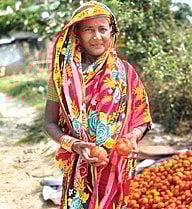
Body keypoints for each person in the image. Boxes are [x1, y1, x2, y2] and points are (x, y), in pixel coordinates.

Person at [43, 2, 152, 209]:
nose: (97, 36)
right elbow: (48, 123)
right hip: (79, 168)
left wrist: (133, 137)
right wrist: (74, 145)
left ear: (112, 33)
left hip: (116, 168)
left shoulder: (126, 73)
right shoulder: (61, 79)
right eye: (88, 29)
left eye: (103, 29)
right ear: (77, 33)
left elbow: (142, 118)